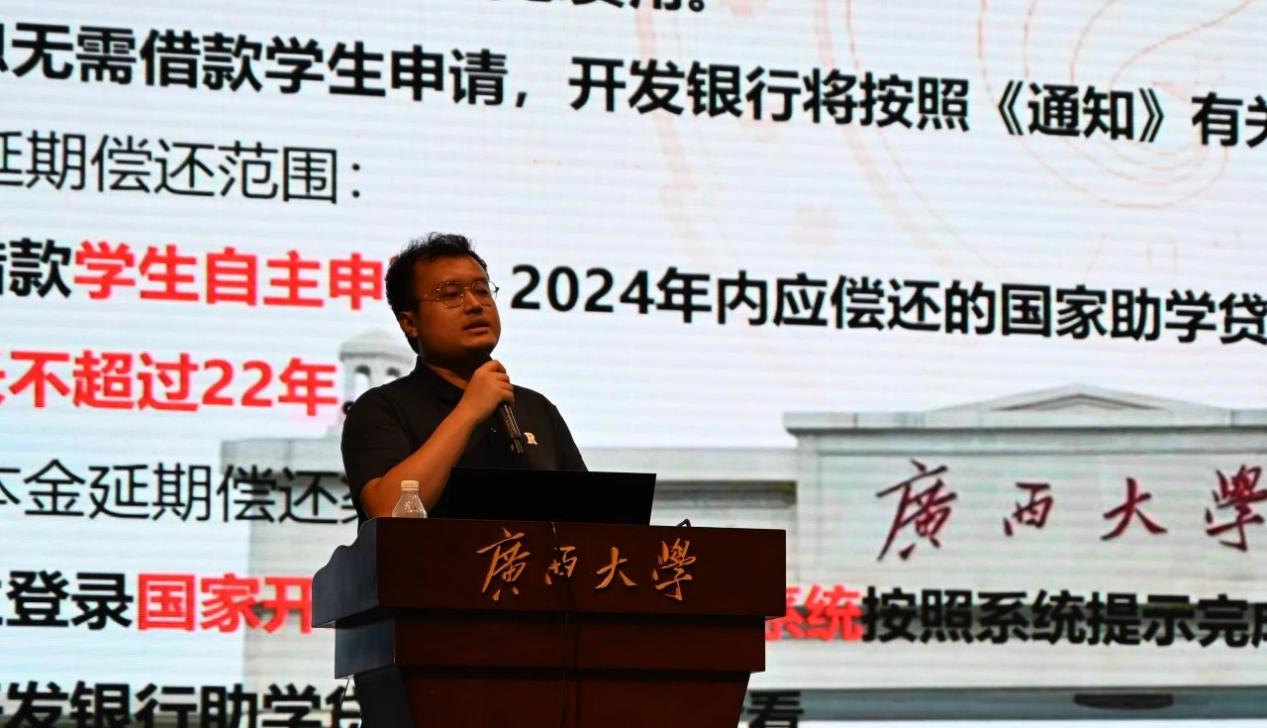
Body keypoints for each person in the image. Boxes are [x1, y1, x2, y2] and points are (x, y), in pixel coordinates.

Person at [341, 233, 586, 521]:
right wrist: (469, 411)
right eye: (450, 294)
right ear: (410, 322)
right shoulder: (381, 409)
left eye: (482, 290)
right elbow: (388, 513)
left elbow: (590, 520)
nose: (474, 304)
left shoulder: (537, 409)